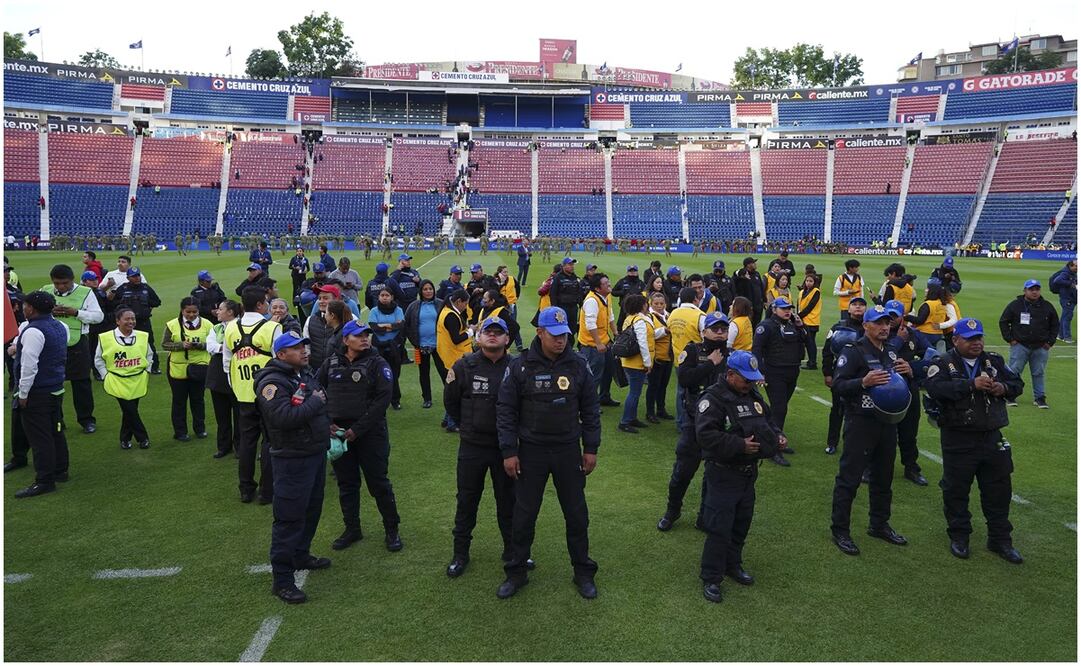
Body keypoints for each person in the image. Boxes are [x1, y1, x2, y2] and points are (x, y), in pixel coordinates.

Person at [496, 306, 601, 600]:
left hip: (568, 449)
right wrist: (509, 450)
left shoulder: (579, 364)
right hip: (531, 451)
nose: (561, 340)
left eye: (564, 335)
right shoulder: (520, 366)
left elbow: (591, 409)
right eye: (554, 335)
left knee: (577, 514)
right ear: (540, 333)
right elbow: (506, 410)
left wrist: (590, 448)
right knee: (524, 515)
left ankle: (583, 572)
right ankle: (516, 572)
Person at [924, 318, 1025, 564]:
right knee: (956, 490)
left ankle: (1000, 539)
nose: (976, 343)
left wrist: (1002, 387)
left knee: (999, 490)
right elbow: (935, 389)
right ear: (955, 340)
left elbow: (1017, 384)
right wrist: (971, 384)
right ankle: (959, 536)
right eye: (970, 339)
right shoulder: (942, 362)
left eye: (979, 337)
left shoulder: (995, 361)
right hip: (958, 437)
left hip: (991, 435)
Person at [695, 350, 784, 603]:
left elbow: (767, 419)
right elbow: (705, 435)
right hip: (723, 474)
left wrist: (777, 435)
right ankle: (711, 577)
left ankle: (733, 565)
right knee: (719, 527)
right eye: (746, 379)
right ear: (731, 375)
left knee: (741, 523)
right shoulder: (713, 399)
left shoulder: (752, 394)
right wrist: (738, 445)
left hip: (748, 474)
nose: (751, 384)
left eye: (753, 380)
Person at [829, 304, 914, 556]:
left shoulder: (890, 352)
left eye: (887, 323)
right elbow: (838, 385)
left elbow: (898, 385)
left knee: (883, 477)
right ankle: (840, 530)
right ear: (866, 326)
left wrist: (908, 373)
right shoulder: (853, 352)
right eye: (878, 323)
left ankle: (879, 524)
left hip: (886, 423)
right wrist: (862, 382)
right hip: (860, 422)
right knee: (850, 477)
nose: (884, 327)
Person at [255, 331, 332, 604]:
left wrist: (327, 425)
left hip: (313, 453)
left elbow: (317, 407)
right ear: (281, 354)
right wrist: (315, 402)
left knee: (312, 508)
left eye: (304, 346)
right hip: (291, 459)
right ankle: (283, 580)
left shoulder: (302, 374)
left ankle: (301, 555)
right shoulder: (272, 382)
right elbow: (284, 417)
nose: (304, 351)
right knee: (289, 518)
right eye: (296, 348)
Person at [444, 316, 522, 577]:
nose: (492, 336)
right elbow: (451, 403)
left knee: (509, 502)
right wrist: (469, 427)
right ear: (478, 337)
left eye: (498, 332)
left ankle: (513, 550)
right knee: (467, 500)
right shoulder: (464, 366)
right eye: (488, 331)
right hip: (473, 447)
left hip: (505, 449)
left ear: (507, 339)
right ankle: (460, 553)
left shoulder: (517, 367)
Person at [317, 320, 402, 553]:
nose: (365, 338)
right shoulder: (330, 363)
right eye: (358, 335)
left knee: (379, 483)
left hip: (370, 434)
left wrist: (358, 429)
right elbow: (315, 391)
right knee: (347, 484)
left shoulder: (378, 363)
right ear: (346, 340)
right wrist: (328, 423)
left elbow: (382, 401)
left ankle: (392, 529)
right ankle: (352, 529)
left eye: (366, 334)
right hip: (339, 435)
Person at [658, 311, 730, 532]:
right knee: (682, 472)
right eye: (715, 329)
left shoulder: (734, 355)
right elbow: (685, 379)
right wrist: (709, 364)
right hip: (694, 422)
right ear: (704, 331)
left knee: (714, 475)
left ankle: (704, 515)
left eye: (723, 329)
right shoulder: (692, 350)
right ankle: (672, 510)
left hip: (720, 426)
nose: (719, 333)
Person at [223, 287, 283, 504]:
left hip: (243, 393)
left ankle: (246, 489)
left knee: (247, 442)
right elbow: (280, 360)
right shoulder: (273, 327)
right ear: (260, 304)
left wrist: (236, 386)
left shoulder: (230, 327)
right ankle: (267, 492)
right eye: (266, 301)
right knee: (269, 442)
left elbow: (227, 362)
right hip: (269, 394)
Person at [7, 291, 70, 497]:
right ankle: (61, 471)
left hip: (38, 392)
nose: (23, 309)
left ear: (31, 308)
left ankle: (44, 480)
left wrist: (23, 393)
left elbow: (29, 366)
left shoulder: (33, 331)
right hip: (55, 388)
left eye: (25, 306)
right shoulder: (61, 326)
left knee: (40, 437)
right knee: (56, 430)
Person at [43, 264, 103, 433]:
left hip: (77, 343)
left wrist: (76, 312)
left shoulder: (86, 292)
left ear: (72, 280)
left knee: (81, 383)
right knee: (52, 384)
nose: (61, 287)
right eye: (57, 283)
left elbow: (98, 317)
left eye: (65, 283)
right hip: (51, 344)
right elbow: (34, 311)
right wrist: (49, 311)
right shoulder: (46, 290)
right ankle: (57, 420)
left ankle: (86, 420)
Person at [751, 298, 805, 466]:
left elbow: (806, 341)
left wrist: (800, 326)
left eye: (789, 308)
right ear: (774, 310)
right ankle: (774, 447)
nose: (788, 311)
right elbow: (757, 350)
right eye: (784, 309)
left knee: (780, 408)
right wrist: (758, 372)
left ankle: (776, 438)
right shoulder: (766, 326)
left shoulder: (792, 324)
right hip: (775, 372)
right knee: (779, 409)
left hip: (792, 371)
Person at [884, 300, 929, 486]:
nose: (891, 320)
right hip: (884, 390)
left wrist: (912, 368)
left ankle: (911, 467)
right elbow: (878, 357)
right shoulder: (879, 333)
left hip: (909, 388)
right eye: (889, 316)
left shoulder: (915, 334)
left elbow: (933, 359)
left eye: (895, 315)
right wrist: (898, 340)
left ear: (903, 316)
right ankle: (876, 467)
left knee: (909, 431)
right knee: (883, 433)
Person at [94, 308, 153, 450]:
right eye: (127, 319)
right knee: (129, 409)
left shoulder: (142, 336)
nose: (131, 322)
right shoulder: (105, 337)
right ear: (117, 321)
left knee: (130, 410)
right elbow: (98, 359)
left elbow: (149, 354)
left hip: (138, 379)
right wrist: (105, 375)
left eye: (133, 318)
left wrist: (147, 370)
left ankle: (125, 439)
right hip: (117, 380)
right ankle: (143, 438)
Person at [998, 279, 1058, 409]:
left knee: (1038, 372)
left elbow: (1055, 325)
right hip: (1020, 345)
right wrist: (1010, 339)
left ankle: (1040, 398)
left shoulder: (1047, 306)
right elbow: (1003, 321)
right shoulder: (1015, 305)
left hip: (1041, 346)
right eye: (1031, 289)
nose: (1034, 292)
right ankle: (1010, 395)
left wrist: (1050, 342)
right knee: (1014, 371)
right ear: (1025, 291)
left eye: (1037, 289)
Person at [161, 297, 212, 442]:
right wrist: (180, 345)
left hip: (199, 368)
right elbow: (165, 344)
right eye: (188, 312)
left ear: (199, 310)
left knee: (198, 400)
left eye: (194, 312)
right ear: (182, 310)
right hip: (178, 370)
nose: (191, 315)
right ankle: (180, 432)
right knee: (179, 402)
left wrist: (199, 345)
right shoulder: (172, 324)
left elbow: (213, 344)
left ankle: (200, 429)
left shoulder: (208, 324)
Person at [822, 297, 866, 455]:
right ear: (849, 309)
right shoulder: (838, 326)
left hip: (862, 376)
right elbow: (827, 351)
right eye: (854, 304)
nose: (858, 308)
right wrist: (827, 373)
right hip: (841, 374)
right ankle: (832, 442)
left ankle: (855, 444)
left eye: (861, 305)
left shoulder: (870, 327)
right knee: (837, 410)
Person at [618, 294, 665, 433]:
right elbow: (643, 342)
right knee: (634, 393)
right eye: (646, 304)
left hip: (629, 361)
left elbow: (648, 336)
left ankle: (632, 418)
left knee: (635, 392)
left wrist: (663, 331)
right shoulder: (640, 321)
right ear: (642, 305)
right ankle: (625, 421)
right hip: (636, 363)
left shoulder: (630, 318)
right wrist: (647, 362)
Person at [206, 300, 241, 459]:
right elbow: (210, 346)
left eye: (220, 309)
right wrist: (224, 348)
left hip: (236, 373)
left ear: (231, 312)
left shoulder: (240, 326)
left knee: (239, 415)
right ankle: (223, 446)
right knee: (222, 415)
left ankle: (239, 447)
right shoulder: (217, 327)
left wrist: (221, 348)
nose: (217, 311)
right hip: (218, 375)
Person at [110, 267, 162, 374]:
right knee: (125, 343)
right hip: (127, 324)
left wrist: (147, 306)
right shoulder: (123, 289)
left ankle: (154, 366)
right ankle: (127, 364)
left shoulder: (146, 288)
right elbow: (113, 304)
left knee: (149, 344)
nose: (137, 278)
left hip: (143, 321)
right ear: (128, 277)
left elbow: (157, 302)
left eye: (138, 275)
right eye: (134, 276)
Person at [578, 273, 618, 408]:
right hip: (592, 345)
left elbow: (610, 315)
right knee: (594, 375)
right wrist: (598, 343)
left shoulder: (606, 297)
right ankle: (589, 404)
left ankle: (604, 397)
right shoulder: (591, 301)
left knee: (608, 370)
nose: (609, 284)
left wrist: (616, 333)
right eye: (606, 283)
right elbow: (590, 324)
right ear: (597, 288)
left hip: (604, 341)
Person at [668, 287, 705, 431]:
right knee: (697, 392)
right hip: (697, 361)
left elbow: (669, 330)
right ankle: (694, 423)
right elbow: (706, 337)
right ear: (696, 299)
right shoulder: (699, 315)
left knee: (681, 391)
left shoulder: (673, 314)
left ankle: (680, 422)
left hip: (678, 359)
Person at [437, 291, 473, 432]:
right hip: (455, 357)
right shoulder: (451, 315)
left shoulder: (446, 311)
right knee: (456, 392)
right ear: (459, 301)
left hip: (448, 355)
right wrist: (470, 332)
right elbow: (456, 339)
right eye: (465, 303)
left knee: (452, 389)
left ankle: (447, 419)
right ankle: (452, 423)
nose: (466, 306)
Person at [405, 280, 443, 408]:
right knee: (424, 373)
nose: (428, 291)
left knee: (444, 371)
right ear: (421, 291)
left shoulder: (441, 304)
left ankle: (450, 396)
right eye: (425, 289)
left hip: (439, 346)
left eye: (430, 289)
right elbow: (407, 325)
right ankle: (427, 399)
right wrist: (414, 341)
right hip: (421, 346)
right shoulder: (413, 306)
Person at [368, 287, 405, 410]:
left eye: (387, 295)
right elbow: (374, 327)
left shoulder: (398, 310)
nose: (384, 297)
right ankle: (378, 400)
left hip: (394, 347)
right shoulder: (374, 310)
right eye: (382, 295)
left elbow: (400, 325)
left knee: (394, 374)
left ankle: (395, 400)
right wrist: (390, 326)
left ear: (392, 297)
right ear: (378, 297)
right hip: (378, 347)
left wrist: (383, 325)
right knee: (378, 375)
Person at [644, 292, 674, 423]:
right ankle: (650, 412)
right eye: (656, 303)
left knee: (663, 385)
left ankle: (661, 409)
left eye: (661, 303)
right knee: (653, 386)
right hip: (656, 357)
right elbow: (649, 335)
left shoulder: (669, 315)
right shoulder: (649, 317)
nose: (659, 306)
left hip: (668, 356)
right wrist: (664, 331)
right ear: (651, 304)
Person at [302, 284, 340, 371]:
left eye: (325, 298)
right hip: (315, 370)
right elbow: (306, 348)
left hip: (340, 371)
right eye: (319, 298)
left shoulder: (349, 319)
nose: (321, 301)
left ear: (336, 299)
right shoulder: (310, 320)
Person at [547, 258, 583, 331]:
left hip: (573, 308)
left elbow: (579, 293)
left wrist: (581, 304)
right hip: (562, 308)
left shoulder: (575, 278)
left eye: (573, 265)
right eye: (570, 264)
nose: (572, 266)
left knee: (572, 329)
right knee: (562, 329)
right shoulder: (558, 277)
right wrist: (555, 309)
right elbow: (552, 294)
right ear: (563, 266)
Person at [797, 273, 822, 369]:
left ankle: (812, 362)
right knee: (804, 342)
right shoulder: (802, 291)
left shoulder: (816, 291)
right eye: (807, 281)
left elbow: (810, 306)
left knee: (810, 342)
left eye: (811, 281)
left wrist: (799, 316)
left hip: (812, 321)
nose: (808, 283)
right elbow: (799, 305)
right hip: (803, 320)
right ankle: (806, 360)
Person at [1050, 260, 1077, 343]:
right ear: (1070, 266)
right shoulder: (1065, 273)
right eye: (1076, 266)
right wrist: (1070, 283)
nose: (1077, 268)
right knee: (1067, 317)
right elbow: (1057, 280)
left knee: (1065, 316)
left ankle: (1060, 335)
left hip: (1069, 298)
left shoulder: (1071, 273)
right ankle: (1067, 337)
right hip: (1067, 298)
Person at [734, 258, 766, 326]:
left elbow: (761, 287)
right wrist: (742, 277)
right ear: (748, 265)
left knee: (757, 324)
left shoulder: (757, 274)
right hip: (748, 306)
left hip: (758, 305)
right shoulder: (742, 275)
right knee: (748, 325)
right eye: (753, 263)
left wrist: (764, 299)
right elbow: (735, 278)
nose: (755, 264)